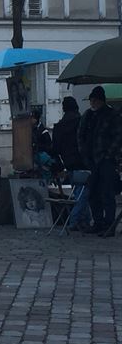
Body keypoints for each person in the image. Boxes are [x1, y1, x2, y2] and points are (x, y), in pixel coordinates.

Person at [78, 85, 122, 236]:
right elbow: (80, 135)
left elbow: (118, 137)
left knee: (107, 193)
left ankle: (108, 225)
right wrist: (84, 154)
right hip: (92, 160)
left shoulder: (112, 115)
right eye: (92, 100)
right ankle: (97, 222)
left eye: (95, 100)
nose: (93, 103)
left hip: (106, 160)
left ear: (101, 101)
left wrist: (109, 154)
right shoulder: (88, 115)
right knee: (93, 192)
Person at [52, 97, 89, 231]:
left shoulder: (60, 126)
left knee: (79, 190)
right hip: (83, 161)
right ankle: (75, 219)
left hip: (68, 161)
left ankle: (83, 220)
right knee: (83, 192)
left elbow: (55, 148)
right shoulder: (81, 121)